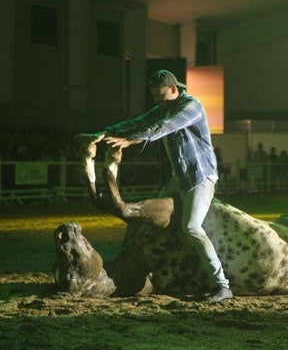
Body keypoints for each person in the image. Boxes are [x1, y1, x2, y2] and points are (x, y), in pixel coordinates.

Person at [76, 70, 233, 303]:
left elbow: (163, 127)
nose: (157, 101)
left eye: (160, 96)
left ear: (173, 89)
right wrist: (102, 134)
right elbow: (138, 122)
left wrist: (129, 141)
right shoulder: (165, 106)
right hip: (178, 178)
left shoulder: (192, 107)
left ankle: (222, 285)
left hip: (200, 177)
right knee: (153, 222)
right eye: (155, 97)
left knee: (191, 227)